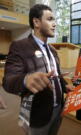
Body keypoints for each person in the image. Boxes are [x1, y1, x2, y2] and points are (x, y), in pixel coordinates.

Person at [3, 4, 73, 135]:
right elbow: (8, 80)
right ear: (36, 22)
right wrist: (26, 79)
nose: (55, 24)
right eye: (50, 19)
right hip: (38, 113)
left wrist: (64, 86)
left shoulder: (52, 49)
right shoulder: (19, 46)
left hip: (59, 108)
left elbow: (55, 74)